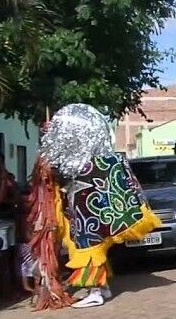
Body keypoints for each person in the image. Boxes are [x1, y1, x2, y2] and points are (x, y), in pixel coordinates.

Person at [39, 104, 161, 308]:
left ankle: (95, 290)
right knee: (90, 251)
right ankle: (102, 288)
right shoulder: (93, 161)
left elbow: (62, 172)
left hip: (89, 220)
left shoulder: (86, 163)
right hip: (85, 218)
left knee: (89, 252)